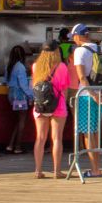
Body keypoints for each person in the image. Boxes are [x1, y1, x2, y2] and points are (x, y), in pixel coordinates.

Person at [31, 40, 69, 178]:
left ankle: (38, 170)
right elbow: (64, 88)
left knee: (40, 138)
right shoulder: (62, 67)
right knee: (57, 138)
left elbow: (34, 85)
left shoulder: (36, 66)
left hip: (40, 105)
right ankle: (57, 171)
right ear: (57, 51)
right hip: (58, 104)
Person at [70, 23, 102, 178]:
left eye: (73, 37)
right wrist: (99, 94)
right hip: (101, 96)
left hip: (86, 97)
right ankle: (98, 167)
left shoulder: (80, 51)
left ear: (77, 36)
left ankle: (95, 170)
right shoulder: (100, 49)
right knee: (95, 133)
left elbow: (82, 77)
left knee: (87, 134)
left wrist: (91, 94)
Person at [5, 45, 32, 154]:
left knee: (18, 120)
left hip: (12, 96)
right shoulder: (20, 67)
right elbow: (23, 85)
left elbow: (6, 81)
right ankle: (18, 147)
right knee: (22, 121)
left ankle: (11, 145)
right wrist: (31, 96)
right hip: (20, 97)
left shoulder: (9, 65)